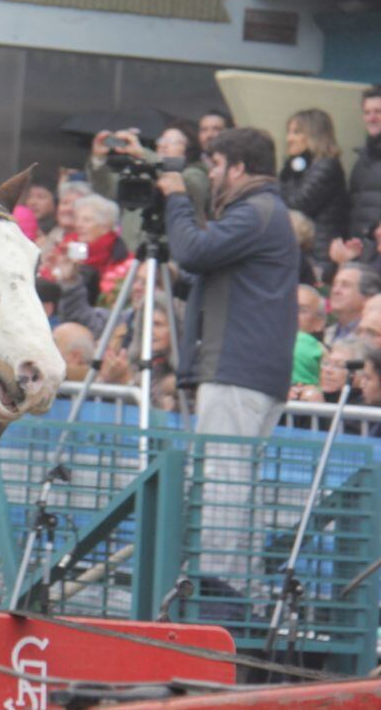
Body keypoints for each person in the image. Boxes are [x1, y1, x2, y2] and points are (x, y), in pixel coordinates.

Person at [156, 126, 298, 596]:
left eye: (216, 165)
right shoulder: (262, 213)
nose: (211, 174)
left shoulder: (256, 211)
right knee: (232, 485)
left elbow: (193, 251)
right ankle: (234, 594)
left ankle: (216, 594)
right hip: (247, 370)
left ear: (239, 168)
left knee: (221, 486)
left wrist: (176, 197)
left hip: (237, 371)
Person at [279, 108, 348, 267]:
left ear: (314, 135)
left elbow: (299, 203)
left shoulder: (326, 166)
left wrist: (284, 179)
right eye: (289, 132)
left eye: (296, 132)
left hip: (320, 251)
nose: (289, 138)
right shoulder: (299, 166)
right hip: (304, 247)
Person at [347, 86, 381, 245]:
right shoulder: (361, 161)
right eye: (367, 113)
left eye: (378, 111)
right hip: (361, 250)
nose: (371, 118)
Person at [324, 262, 380, 343]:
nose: (336, 290)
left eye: (345, 285)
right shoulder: (326, 333)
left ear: (368, 297)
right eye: (334, 284)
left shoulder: (374, 337)